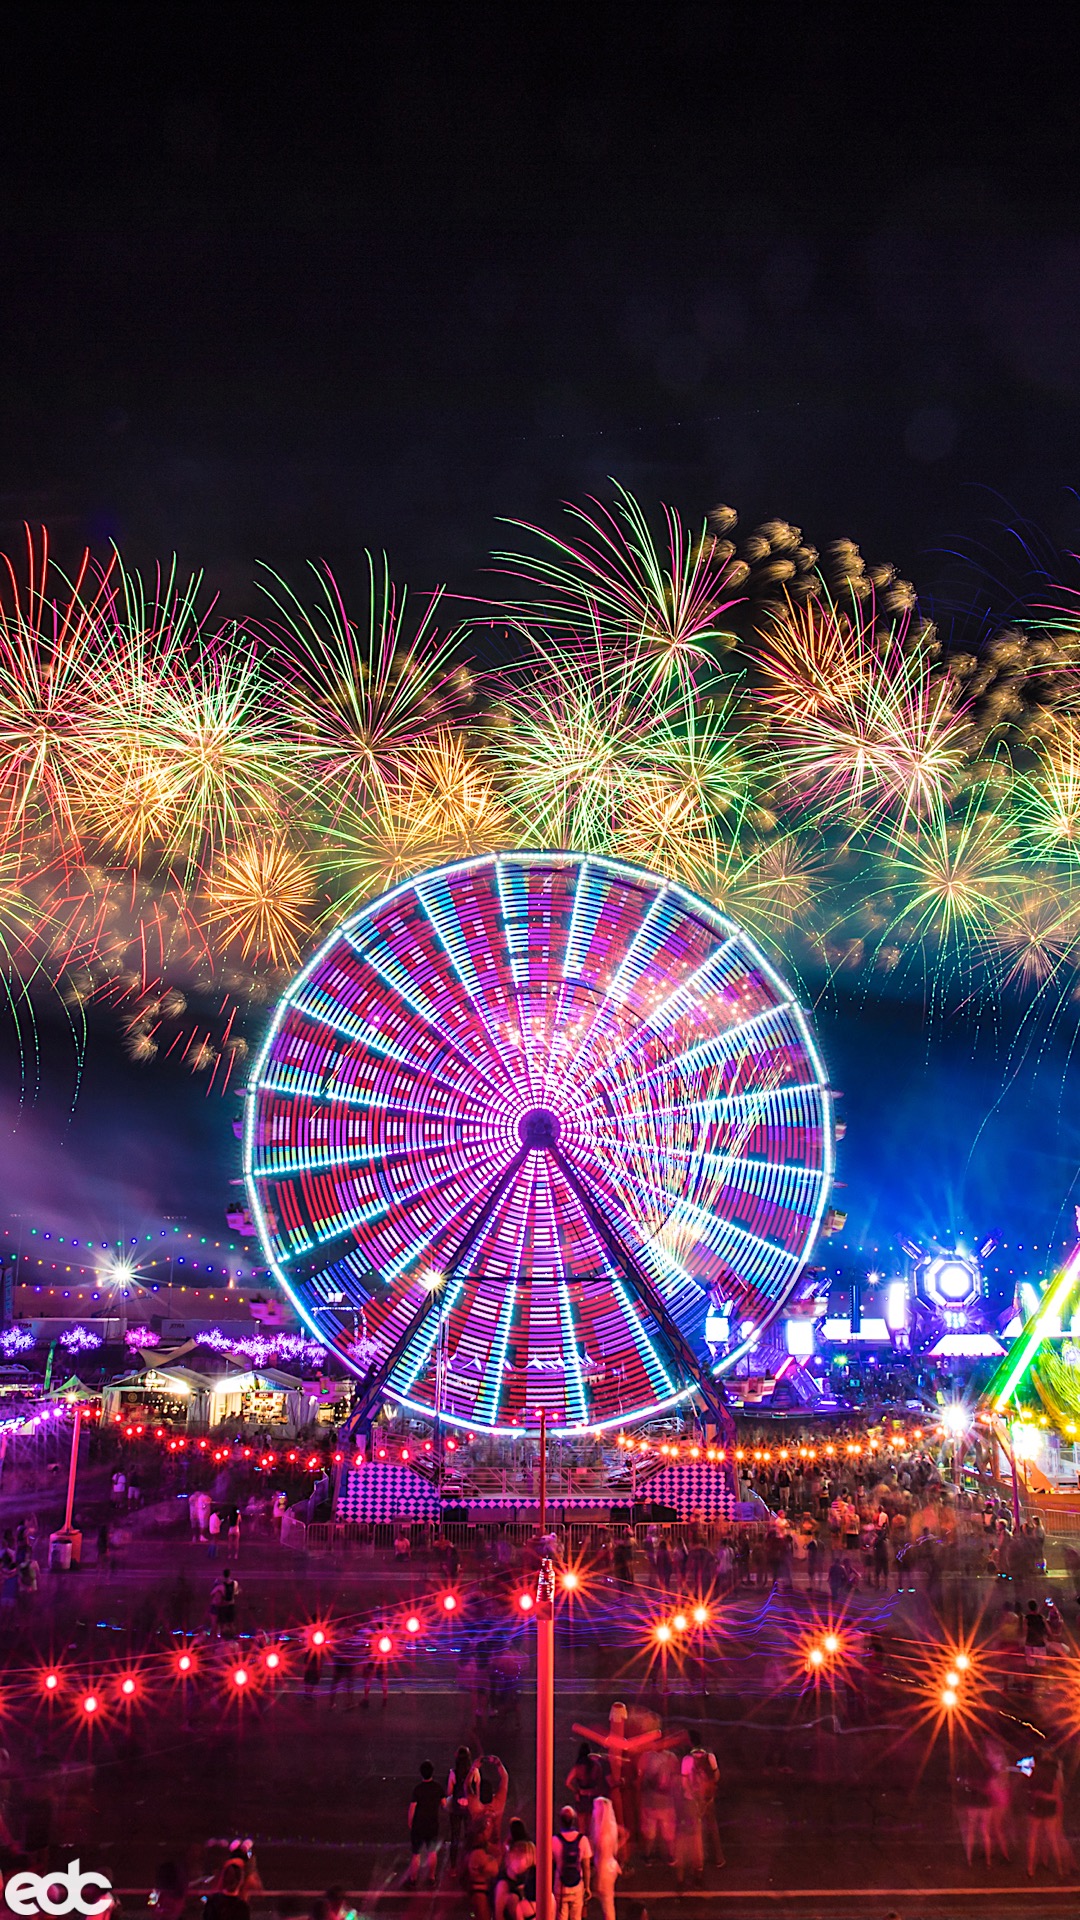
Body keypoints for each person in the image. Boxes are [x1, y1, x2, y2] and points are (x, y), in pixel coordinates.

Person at [551, 1805, 591, 1920]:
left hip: (560, 1886)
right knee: (576, 1917)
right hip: (577, 1886)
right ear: (574, 1820)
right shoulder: (583, 1840)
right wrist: (587, 1887)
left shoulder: (554, 1840)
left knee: (561, 1917)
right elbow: (586, 1866)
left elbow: (550, 1866)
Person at [407, 1760, 443, 1887]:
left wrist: (410, 1822)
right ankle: (431, 1877)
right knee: (432, 1852)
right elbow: (444, 1804)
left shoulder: (418, 1789)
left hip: (418, 1824)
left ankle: (413, 1879)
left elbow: (412, 1807)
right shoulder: (438, 1787)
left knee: (416, 1853)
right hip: (432, 1824)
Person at [494, 1817, 536, 1920]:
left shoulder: (512, 1848)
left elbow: (504, 1866)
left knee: (499, 1908)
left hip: (513, 1883)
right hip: (528, 1884)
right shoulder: (531, 1846)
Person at [589, 1798, 620, 1920]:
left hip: (605, 1871)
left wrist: (599, 1880)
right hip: (611, 1866)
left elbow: (602, 1859)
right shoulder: (611, 1828)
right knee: (608, 1903)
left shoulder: (602, 1835)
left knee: (607, 1904)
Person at [565, 1743, 604, 1831]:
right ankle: (589, 1844)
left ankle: (582, 1843)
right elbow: (600, 1782)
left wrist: (576, 1791)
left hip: (581, 1796)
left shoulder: (577, 1767)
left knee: (582, 1826)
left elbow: (567, 1782)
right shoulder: (596, 1766)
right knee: (592, 1826)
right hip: (593, 1796)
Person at [447, 1745, 473, 1866]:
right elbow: (477, 1791)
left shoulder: (453, 1773)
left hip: (456, 1809)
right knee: (470, 1836)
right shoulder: (474, 1772)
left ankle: (453, 1866)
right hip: (470, 1809)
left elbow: (449, 1792)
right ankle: (469, 1863)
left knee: (455, 1837)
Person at [211, 1567, 240, 1638]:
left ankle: (222, 1639)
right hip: (231, 1605)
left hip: (223, 1606)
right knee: (231, 1623)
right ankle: (232, 1638)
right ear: (230, 1574)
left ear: (223, 1575)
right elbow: (236, 1593)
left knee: (222, 1624)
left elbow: (212, 1593)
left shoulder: (221, 1585)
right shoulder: (235, 1583)